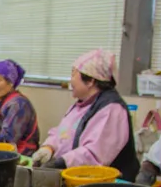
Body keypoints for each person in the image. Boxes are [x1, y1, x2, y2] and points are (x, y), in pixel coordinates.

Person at [31, 49, 139, 180]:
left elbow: (94, 154)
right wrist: (49, 147)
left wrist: (60, 163)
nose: (70, 81)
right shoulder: (82, 105)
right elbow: (63, 132)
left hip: (108, 185)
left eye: (73, 74)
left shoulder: (112, 109)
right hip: (76, 177)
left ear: (90, 80)